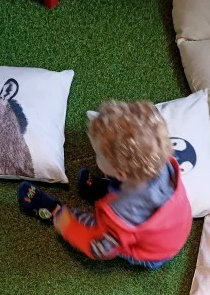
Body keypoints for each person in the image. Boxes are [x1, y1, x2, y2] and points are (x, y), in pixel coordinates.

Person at [18, 100, 192, 269]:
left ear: (121, 173)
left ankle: (54, 211)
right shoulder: (160, 162)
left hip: (152, 254)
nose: (96, 157)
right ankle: (106, 189)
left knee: (91, 226)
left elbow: (98, 247)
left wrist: (67, 226)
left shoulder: (121, 216)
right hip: (171, 228)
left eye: (98, 155)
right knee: (121, 190)